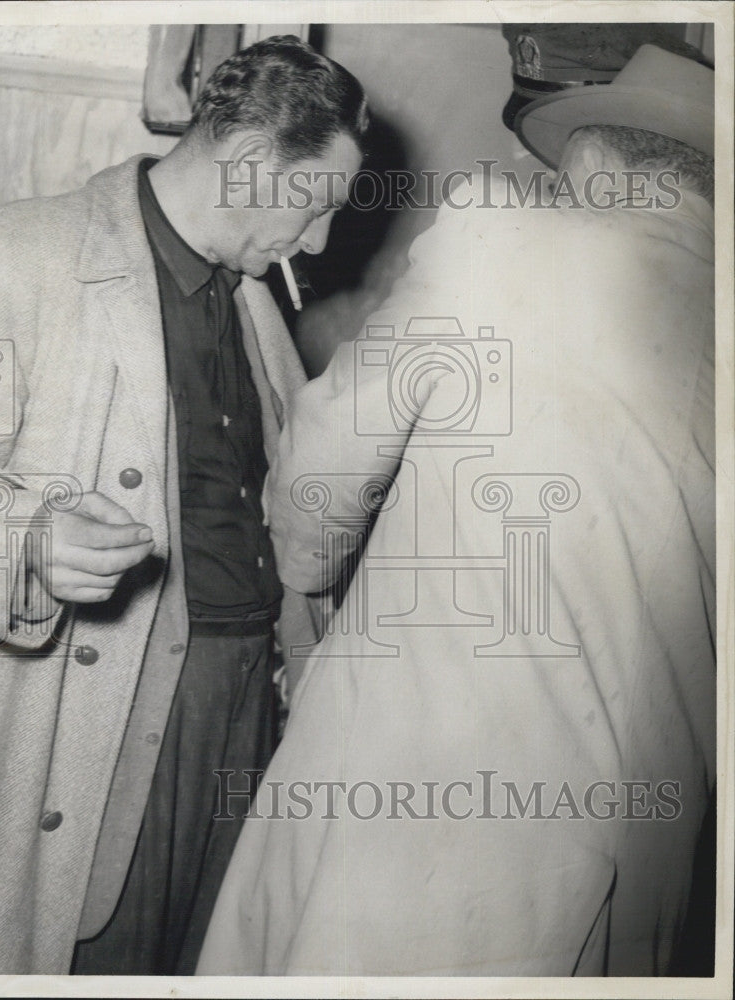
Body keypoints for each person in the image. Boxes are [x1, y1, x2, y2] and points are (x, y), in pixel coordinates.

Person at [195, 45, 715, 975]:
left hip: (426, 794)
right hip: (652, 851)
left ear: (593, 162)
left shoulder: (500, 236)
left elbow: (325, 463)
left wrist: (308, 597)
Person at [0, 35, 366, 975]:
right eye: (317, 208)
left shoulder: (258, 307)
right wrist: (23, 537)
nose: (317, 243)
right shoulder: (13, 256)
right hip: (98, 721)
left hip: (243, 716)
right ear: (255, 164)